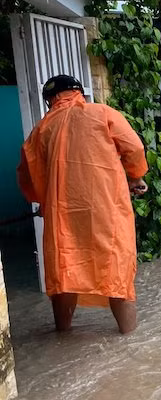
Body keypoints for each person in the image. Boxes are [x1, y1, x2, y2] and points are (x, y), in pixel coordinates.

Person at [16, 75, 148, 334]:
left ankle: (63, 336)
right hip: (106, 210)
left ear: (51, 100)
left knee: (64, 272)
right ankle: (129, 337)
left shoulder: (41, 129)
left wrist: (42, 200)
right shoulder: (104, 113)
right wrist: (136, 176)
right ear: (79, 92)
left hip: (62, 216)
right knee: (115, 268)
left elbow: (27, 174)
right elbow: (133, 148)